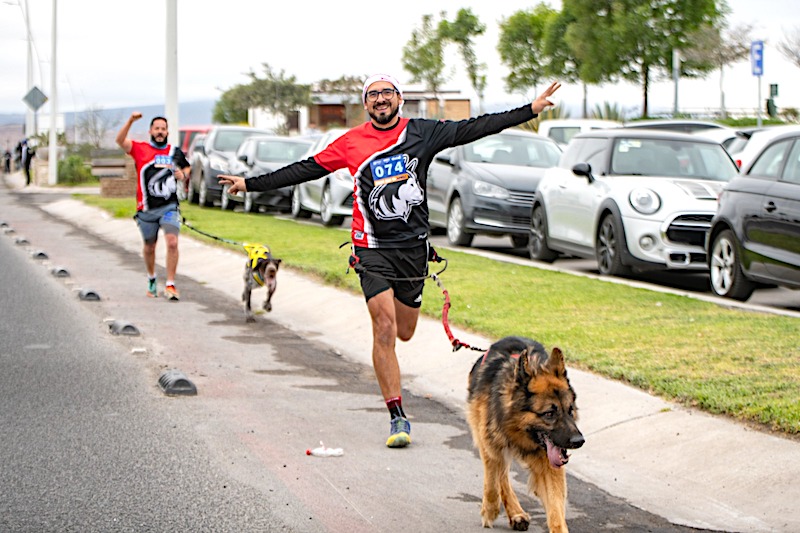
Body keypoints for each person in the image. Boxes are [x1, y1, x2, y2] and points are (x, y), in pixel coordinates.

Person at [219, 74, 560, 448]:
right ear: (366, 104)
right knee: (383, 327)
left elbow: (474, 127)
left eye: (386, 93)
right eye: (372, 95)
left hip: (413, 250)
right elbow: (306, 168)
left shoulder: (422, 133)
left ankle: (397, 380)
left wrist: (530, 109)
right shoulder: (351, 143)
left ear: (399, 98)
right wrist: (249, 184)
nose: (380, 99)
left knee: (404, 331)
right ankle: (398, 416)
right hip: (371, 249)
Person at [116, 112, 191, 301]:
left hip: (169, 207)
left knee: (172, 242)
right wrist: (131, 121)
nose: (160, 132)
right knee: (150, 247)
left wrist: (182, 174)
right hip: (146, 209)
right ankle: (151, 278)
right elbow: (120, 140)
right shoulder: (140, 149)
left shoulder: (174, 152)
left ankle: (171, 284)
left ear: (167, 132)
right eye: (156, 128)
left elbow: (186, 167)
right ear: (150, 131)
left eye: (163, 129)